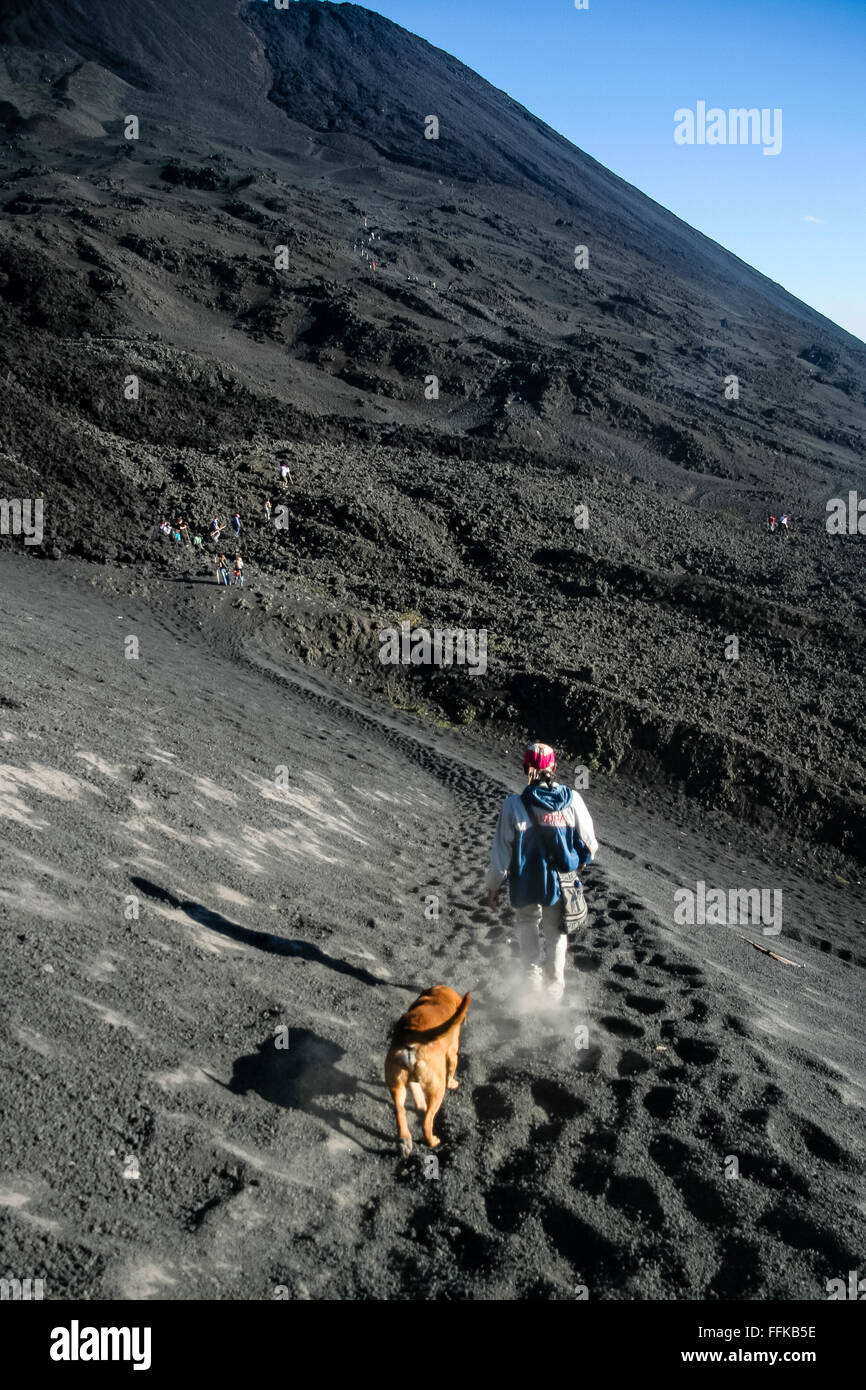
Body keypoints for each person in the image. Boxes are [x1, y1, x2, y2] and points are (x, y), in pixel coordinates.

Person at [486, 742, 598, 999]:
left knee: (527, 922)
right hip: (559, 883)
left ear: (526, 767)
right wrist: (577, 864)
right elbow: (590, 844)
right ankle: (555, 987)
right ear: (554, 768)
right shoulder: (572, 800)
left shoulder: (514, 805)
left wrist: (493, 886)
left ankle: (530, 980)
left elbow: (501, 853)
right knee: (556, 931)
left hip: (526, 881)